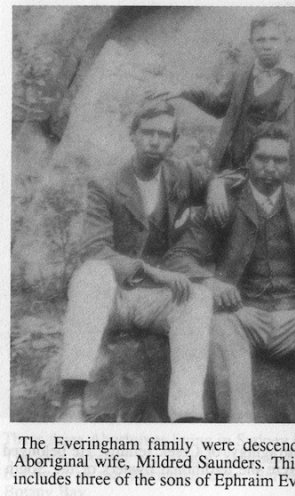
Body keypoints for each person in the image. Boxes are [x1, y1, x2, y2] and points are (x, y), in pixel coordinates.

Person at [165, 125, 295, 423]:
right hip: (241, 314)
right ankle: (240, 441)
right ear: (248, 160)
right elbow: (178, 257)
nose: (270, 167)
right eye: (262, 158)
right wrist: (211, 283)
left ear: (290, 164)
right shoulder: (225, 203)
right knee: (220, 328)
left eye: (280, 160)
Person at [57, 100, 213, 423]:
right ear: (133, 134)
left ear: (172, 141)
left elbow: (213, 181)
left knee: (199, 296)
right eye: (148, 132)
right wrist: (152, 271)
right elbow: (95, 248)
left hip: (152, 300)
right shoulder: (107, 184)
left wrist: (220, 187)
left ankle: (186, 417)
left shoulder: (179, 174)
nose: (155, 141)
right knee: (91, 274)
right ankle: (73, 399)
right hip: (112, 297)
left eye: (164, 135)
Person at [153, 12, 295, 224]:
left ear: (285, 42)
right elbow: (218, 106)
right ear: (251, 43)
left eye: (274, 39)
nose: (267, 45)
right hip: (234, 171)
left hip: (274, 175)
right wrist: (183, 92)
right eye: (260, 39)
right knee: (222, 225)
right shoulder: (242, 76)